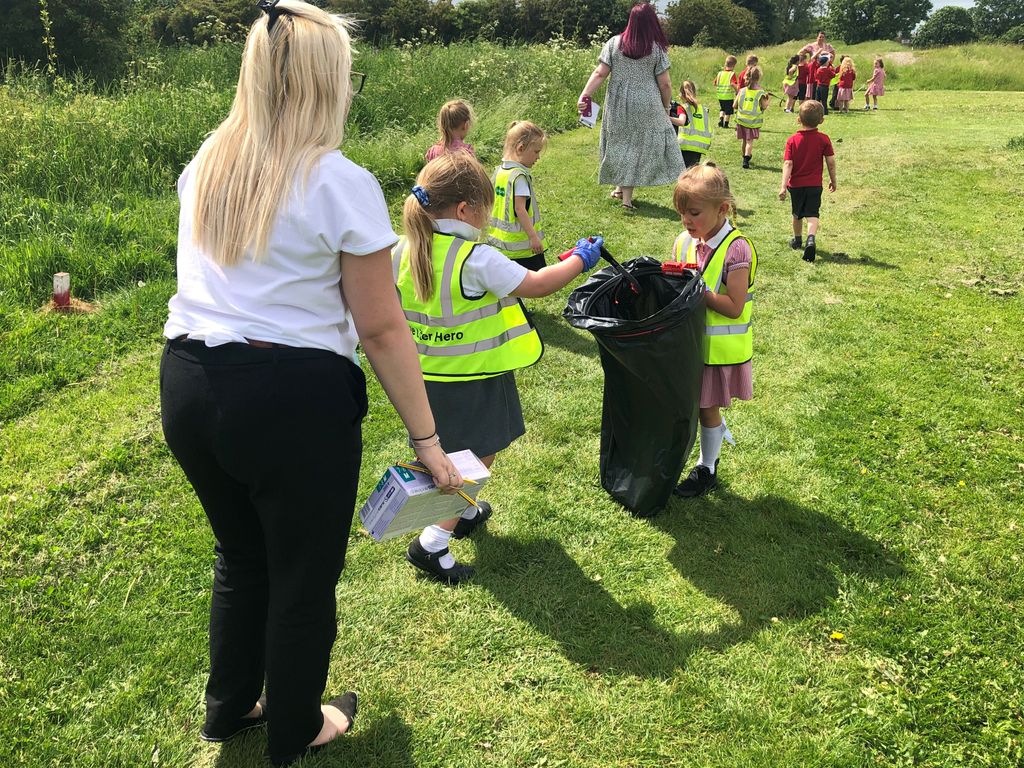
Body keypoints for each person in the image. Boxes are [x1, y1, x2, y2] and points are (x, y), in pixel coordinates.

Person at [159, 3, 466, 766]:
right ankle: (295, 726)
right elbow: (383, 326)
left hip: (190, 383)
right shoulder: (337, 180)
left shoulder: (208, 160)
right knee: (302, 575)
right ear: (327, 82)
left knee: (241, 553)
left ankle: (229, 707)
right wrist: (428, 441)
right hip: (290, 401)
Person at [393, 152, 603, 584]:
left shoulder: (402, 249)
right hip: (476, 378)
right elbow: (539, 285)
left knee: (443, 454)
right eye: (485, 211)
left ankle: (460, 512)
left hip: (425, 380)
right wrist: (581, 260)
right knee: (473, 460)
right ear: (466, 209)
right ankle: (432, 541)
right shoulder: (475, 257)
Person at [668, 163, 756, 498]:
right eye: (681, 214)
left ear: (722, 209)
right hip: (688, 345)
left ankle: (707, 466)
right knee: (695, 404)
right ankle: (714, 436)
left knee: (706, 406)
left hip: (717, 351)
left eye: (693, 213)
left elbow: (734, 307)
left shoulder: (737, 249)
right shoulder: (684, 241)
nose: (687, 222)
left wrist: (697, 291)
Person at [576, 2, 684, 211]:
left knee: (621, 143)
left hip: (618, 102)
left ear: (631, 21)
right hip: (647, 102)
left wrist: (585, 94)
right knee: (637, 146)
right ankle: (624, 198)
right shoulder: (656, 49)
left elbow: (600, 73)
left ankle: (621, 192)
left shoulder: (614, 44)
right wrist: (665, 107)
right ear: (652, 22)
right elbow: (665, 84)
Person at [778, 100, 837, 263]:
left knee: (797, 214)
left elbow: (788, 163)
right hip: (814, 185)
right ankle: (811, 238)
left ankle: (797, 240)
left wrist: (783, 186)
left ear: (799, 119)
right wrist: (833, 180)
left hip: (796, 186)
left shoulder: (792, 140)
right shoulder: (824, 139)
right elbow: (830, 162)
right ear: (821, 120)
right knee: (812, 213)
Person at [486, 121, 548, 271]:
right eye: (536, 152)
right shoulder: (519, 177)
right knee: (530, 282)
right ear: (521, 148)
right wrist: (533, 237)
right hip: (521, 248)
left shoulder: (500, 171)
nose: (538, 157)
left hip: (500, 245)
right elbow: (520, 209)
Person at [670, 80, 713, 168]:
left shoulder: (683, 107)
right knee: (693, 171)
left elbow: (681, 122)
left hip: (686, 145)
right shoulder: (703, 109)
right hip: (699, 145)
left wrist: (667, 118)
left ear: (681, 94)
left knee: (685, 173)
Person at [734, 66, 769, 169]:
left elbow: (734, 106)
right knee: (749, 141)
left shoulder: (742, 90)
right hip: (753, 122)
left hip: (741, 120)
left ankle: (744, 155)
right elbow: (764, 106)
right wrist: (768, 99)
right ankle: (746, 158)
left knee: (744, 140)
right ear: (758, 78)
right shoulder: (760, 92)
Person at [714, 55, 740, 128]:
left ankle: (721, 120)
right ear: (734, 65)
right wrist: (737, 90)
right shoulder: (732, 74)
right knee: (728, 111)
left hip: (720, 95)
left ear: (725, 64)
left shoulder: (720, 73)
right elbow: (733, 83)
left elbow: (715, 83)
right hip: (728, 96)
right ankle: (726, 124)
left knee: (722, 108)